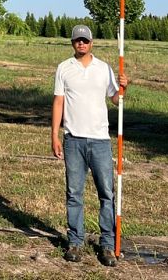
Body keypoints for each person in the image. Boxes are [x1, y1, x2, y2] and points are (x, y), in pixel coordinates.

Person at [51, 24, 128, 267]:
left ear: (91, 42)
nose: (81, 44)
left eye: (85, 40)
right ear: (72, 43)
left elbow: (115, 99)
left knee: (107, 193)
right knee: (74, 194)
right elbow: (58, 103)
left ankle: (107, 244)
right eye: (77, 40)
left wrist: (123, 88)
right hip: (73, 140)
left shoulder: (103, 68)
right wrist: (54, 134)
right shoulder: (64, 69)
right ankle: (75, 241)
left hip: (100, 141)